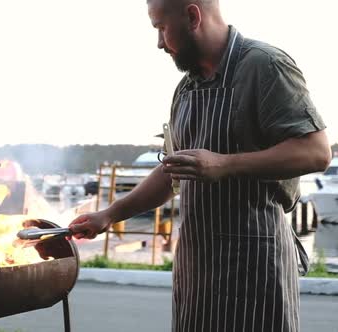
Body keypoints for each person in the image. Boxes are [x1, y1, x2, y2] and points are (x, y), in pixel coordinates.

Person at [68, 0, 331, 331]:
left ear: (193, 16)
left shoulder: (265, 66)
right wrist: (108, 214)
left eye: (162, 28)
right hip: (197, 274)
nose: (160, 43)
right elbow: (171, 173)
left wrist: (224, 164)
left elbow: (316, 152)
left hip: (255, 270)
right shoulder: (186, 89)